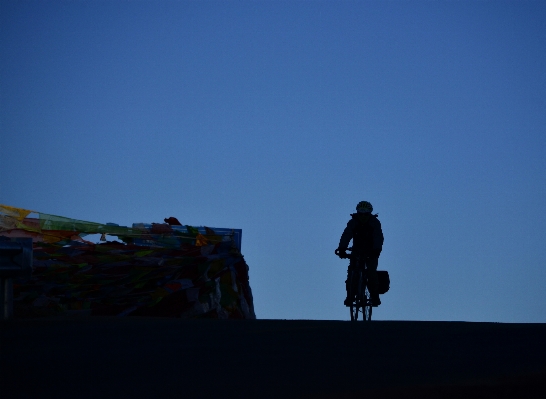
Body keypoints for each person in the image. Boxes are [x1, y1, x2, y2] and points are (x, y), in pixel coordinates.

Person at [335, 201, 384, 307]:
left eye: (365, 213)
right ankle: (350, 296)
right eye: (361, 213)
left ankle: (375, 297)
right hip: (356, 251)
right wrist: (342, 248)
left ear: (369, 213)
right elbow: (346, 235)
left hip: (372, 251)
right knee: (351, 272)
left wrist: (377, 250)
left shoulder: (374, 222)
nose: (363, 216)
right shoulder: (353, 222)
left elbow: (378, 236)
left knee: (371, 273)